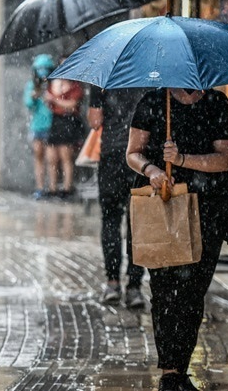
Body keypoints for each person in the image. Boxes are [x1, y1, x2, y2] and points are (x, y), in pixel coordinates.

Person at [126, 87, 228, 391]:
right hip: (162, 207)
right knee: (164, 292)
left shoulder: (216, 102)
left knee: (192, 293)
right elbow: (133, 154)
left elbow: (224, 159)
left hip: (209, 211)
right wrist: (152, 170)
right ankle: (169, 372)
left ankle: (180, 367)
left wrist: (181, 159)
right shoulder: (153, 101)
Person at [88, 88, 145, 308]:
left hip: (112, 155)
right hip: (141, 158)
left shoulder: (104, 76)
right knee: (137, 222)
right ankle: (134, 286)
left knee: (111, 219)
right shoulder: (151, 72)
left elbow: (94, 121)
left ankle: (112, 283)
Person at [43, 57, 84, 199]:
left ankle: (67, 188)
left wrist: (55, 100)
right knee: (51, 156)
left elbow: (72, 105)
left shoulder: (75, 85)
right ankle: (52, 187)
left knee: (66, 156)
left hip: (68, 122)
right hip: (56, 121)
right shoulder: (54, 83)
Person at [23, 54, 55, 200]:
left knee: (51, 159)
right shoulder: (31, 85)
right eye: (40, 69)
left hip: (52, 125)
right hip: (37, 126)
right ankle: (40, 187)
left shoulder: (54, 84)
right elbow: (28, 104)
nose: (43, 72)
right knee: (39, 157)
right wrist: (34, 96)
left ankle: (52, 187)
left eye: (46, 68)